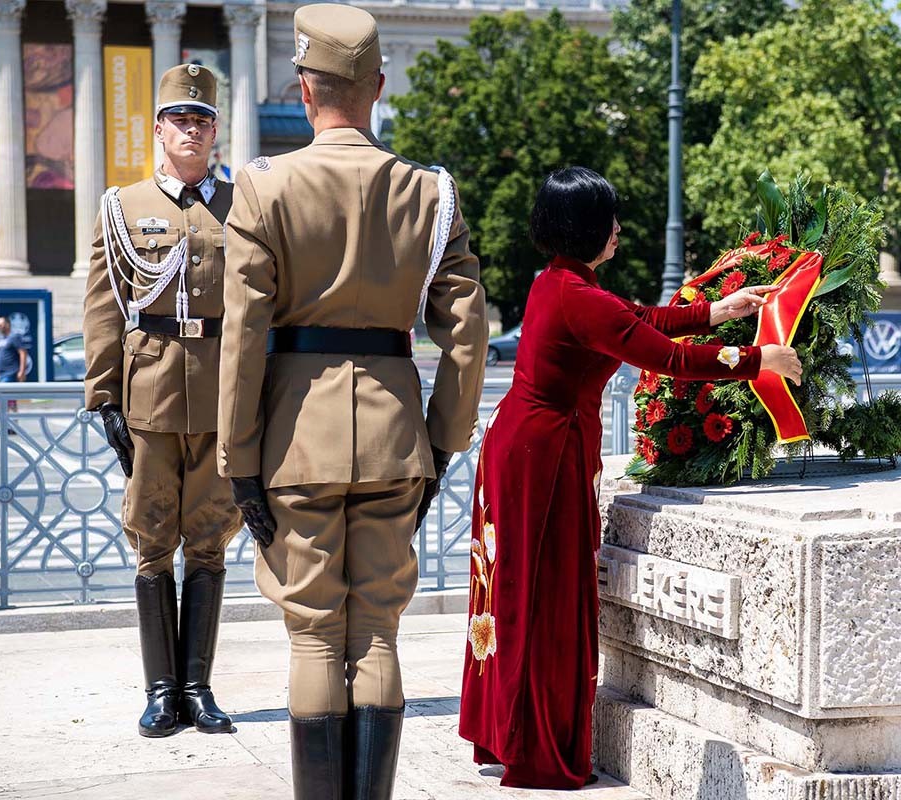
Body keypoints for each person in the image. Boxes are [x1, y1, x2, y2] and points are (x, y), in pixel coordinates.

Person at [457, 167, 803, 789]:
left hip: (526, 447)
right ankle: (536, 746)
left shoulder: (559, 283)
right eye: (609, 219)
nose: (618, 229)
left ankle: (505, 729)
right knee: (546, 598)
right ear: (586, 227)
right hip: (544, 459)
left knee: (513, 592)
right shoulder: (579, 296)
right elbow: (663, 357)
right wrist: (760, 360)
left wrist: (714, 310)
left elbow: (633, 318)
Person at [217, 5, 487, 797]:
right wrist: (442, 442)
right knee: (376, 632)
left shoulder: (264, 186)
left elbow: (241, 340)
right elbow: (465, 334)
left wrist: (239, 461)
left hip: (295, 442)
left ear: (304, 89)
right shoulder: (431, 194)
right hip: (399, 438)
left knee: (310, 636)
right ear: (377, 87)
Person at [82, 64, 242, 738]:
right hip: (149, 394)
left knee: (208, 542)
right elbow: (102, 304)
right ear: (157, 128)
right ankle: (160, 690)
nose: (191, 127)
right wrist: (105, 395)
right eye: (180, 117)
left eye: (202, 118)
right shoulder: (124, 206)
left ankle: (199, 689)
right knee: (153, 542)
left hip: (220, 397)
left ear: (215, 129)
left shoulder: (243, 205)